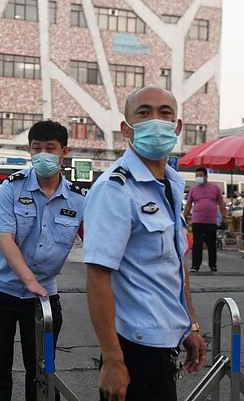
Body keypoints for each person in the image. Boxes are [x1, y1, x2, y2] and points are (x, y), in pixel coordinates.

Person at [84, 86, 207, 401]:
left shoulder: (170, 185)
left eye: (165, 113)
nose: (156, 120)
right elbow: (98, 279)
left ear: (177, 127)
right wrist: (112, 360)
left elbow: (176, 264)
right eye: (144, 112)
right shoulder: (115, 189)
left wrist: (190, 324)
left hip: (165, 341)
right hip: (134, 347)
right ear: (127, 128)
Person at [0, 120, 85, 401]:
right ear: (30, 151)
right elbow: (5, 238)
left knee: (43, 372)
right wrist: (29, 280)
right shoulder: (13, 187)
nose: (43, 155)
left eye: (51, 149)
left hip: (43, 299)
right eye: (37, 149)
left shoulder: (77, 199)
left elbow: (96, 244)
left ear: (64, 152)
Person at [183, 167, 227, 272]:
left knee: (211, 243)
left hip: (211, 221)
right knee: (197, 244)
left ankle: (213, 264)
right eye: (197, 176)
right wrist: (183, 217)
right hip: (197, 220)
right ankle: (195, 266)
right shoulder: (193, 189)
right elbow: (188, 204)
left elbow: (221, 203)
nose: (199, 178)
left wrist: (224, 216)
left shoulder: (215, 188)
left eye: (200, 176)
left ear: (206, 176)